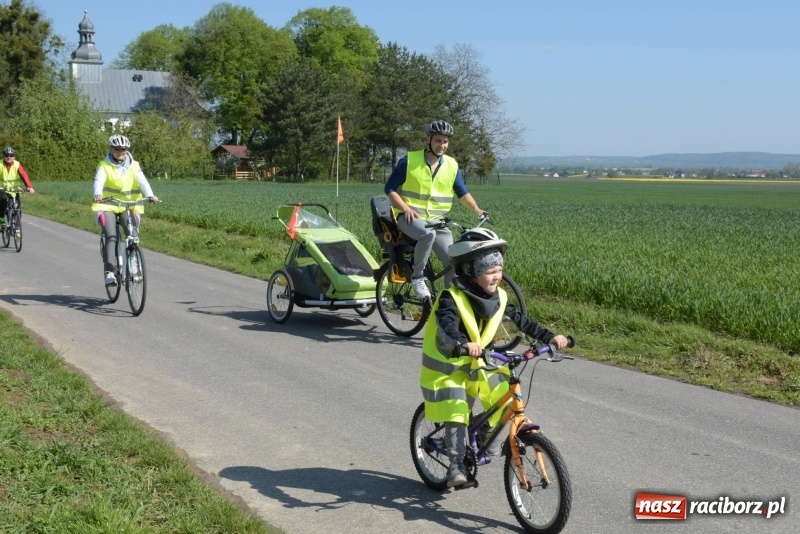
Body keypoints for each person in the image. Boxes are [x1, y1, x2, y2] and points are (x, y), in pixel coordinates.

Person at [419, 228, 570, 488]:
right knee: (456, 408)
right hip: (449, 366)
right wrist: (461, 343)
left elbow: (523, 322)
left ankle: (482, 433)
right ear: (470, 271)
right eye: (490, 271)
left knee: (503, 395)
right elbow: (447, 325)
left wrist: (549, 337)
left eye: (499, 269)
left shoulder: (498, 297)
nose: (497, 276)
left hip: (480, 363)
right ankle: (456, 465)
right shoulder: (450, 297)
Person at [384, 120, 486, 299]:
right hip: (409, 218)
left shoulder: (452, 166)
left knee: (453, 262)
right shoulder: (409, 161)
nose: (442, 145)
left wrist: (477, 210)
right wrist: (405, 209)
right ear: (429, 140)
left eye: (445, 141)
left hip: (437, 221)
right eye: (438, 140)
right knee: (427, 235)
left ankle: (449, 302)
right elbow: (389, 189)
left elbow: (462, 193)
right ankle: (417, 276)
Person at [92, 135, 159, 287]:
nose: (120, 152)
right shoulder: (104, 165)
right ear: (111, 149)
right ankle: (109, 272)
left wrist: (150, 195)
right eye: (117, 149)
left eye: (123, 149)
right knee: (112, 236)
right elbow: (99, 180)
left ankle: (134, 266)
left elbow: (142, 181)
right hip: (107, 205)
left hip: (128, 205)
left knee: (132, 236)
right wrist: (98, 194)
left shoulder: (134, 165)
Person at [0, 147, 35, 227]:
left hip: (14, 190)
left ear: (14, 157)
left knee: (17, 207)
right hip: (3, 189)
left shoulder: (17, 164)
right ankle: (1, 219)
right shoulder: (0, 164)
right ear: (4, 156)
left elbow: (24, 175)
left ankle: (16, 224)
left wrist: (29, 186)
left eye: (11, 155)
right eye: (7, 155)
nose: (9, 157)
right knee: (3, 201)